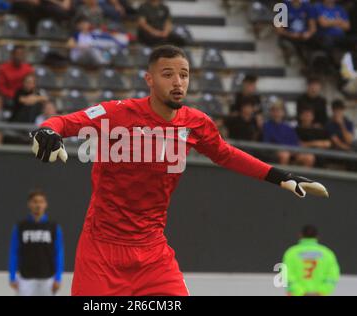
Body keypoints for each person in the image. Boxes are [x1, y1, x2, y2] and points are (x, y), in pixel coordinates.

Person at [31, 45, 329, 296]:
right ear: (149, 79)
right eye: (168, 74)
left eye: (184, 75)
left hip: (152, 253)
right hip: (101, 252)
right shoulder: (118, 113)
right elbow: (63, 122)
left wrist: (280, 176)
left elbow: (226, 154)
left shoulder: (195, 123)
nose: (178, 82)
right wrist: (46, 131)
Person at [9, 189, 64, 296]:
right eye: (35, 201)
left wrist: (58, 277)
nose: (38, 205)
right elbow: (14, 252)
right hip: (25, 279)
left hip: (48, 279)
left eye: (41, 201)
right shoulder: (21, 227)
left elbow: (58, 253)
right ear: (29, 204)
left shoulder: (53, 227)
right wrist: (12, 276)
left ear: (45, 204)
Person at [283, 225, 340, 296]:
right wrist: (322, 291)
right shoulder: (327, 253)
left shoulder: (291, 253)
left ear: (300, 235)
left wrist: (300, 292)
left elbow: (286, 274)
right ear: (317, 236)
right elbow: (333, 275)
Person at [263, 100, 316, 167]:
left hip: (291, 152)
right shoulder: (266, 125)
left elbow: (295, 143)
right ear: (271, 112)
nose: (277, 113)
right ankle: (283, 177)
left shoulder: (288, 127)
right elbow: (267, 143)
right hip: (275, 152)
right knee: (285, 155)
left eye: (279, 111)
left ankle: (303, 177)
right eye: (274, 111)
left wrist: (294, 151)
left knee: (309, 157)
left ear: (283, 112)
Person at [275, 0, 316, 65]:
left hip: (303, 36)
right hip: (288, 36)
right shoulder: (283, 6)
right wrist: (290, 34)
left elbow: (313, 28)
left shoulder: (308, 7)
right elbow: (279, 30)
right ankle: (289, 56)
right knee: (286, 42)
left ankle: (308, 65)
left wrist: (308, 34)